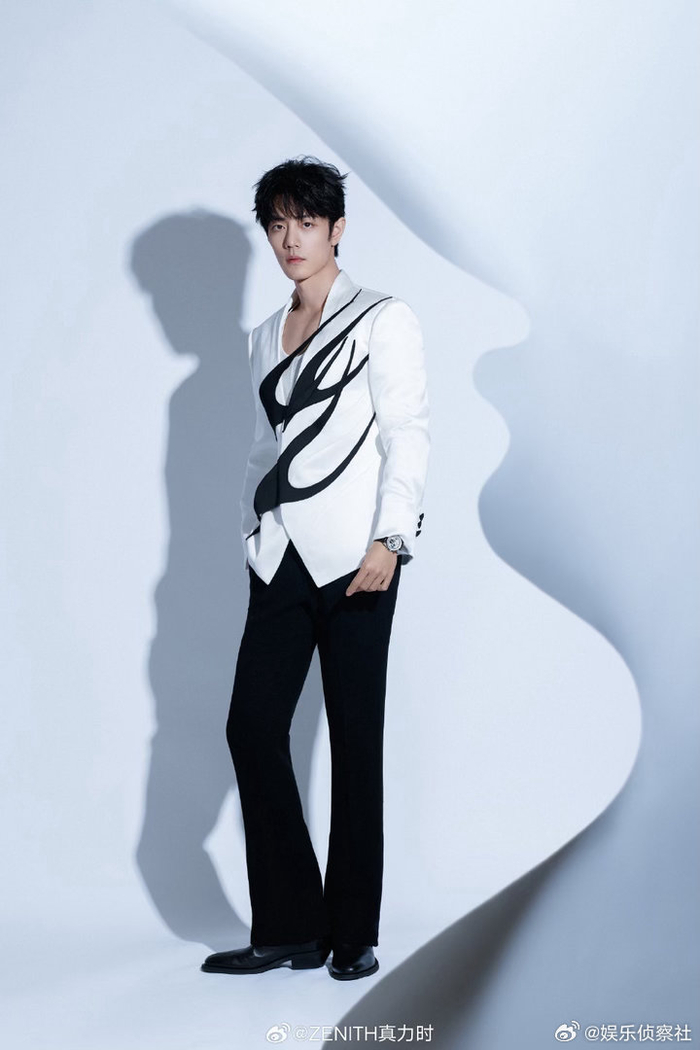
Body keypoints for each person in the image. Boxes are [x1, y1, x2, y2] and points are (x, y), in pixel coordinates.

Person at [201, 155, 430, 980]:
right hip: (281, 559)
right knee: (251, 727)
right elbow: (267, 448)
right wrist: (253, 527)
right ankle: (293, 925)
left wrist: (391, 538)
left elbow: (408, 430)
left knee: (354, 742)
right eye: (277, 224)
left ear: (337, 229)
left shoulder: (382, 318)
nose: (290, 238)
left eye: (305, 221)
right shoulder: (263, 335)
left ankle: (353, 931)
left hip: (360, 557)